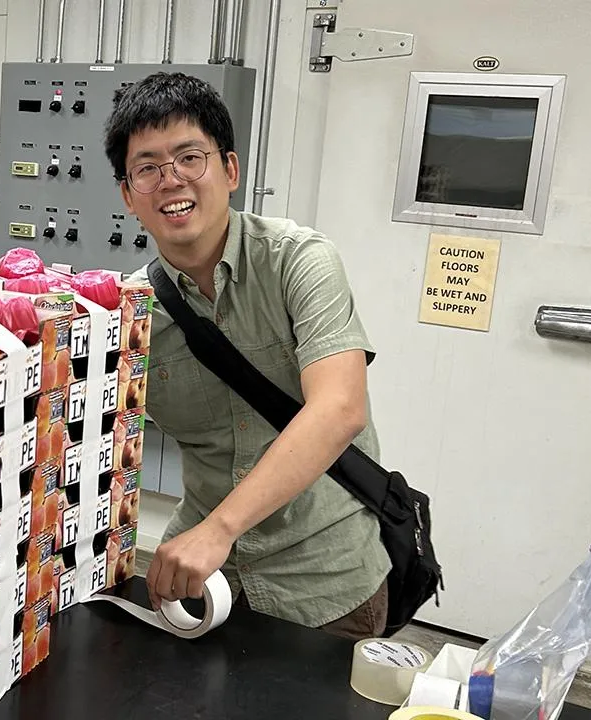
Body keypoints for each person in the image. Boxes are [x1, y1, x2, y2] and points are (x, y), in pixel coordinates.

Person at [106, 71, 391, 640]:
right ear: (128, 194)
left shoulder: (298, 260)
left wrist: (220, 529)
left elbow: (339, 410)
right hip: (198, 583)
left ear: (230, 170)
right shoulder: (129, 311)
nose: (171, 180)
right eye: (148, 168)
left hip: (323, 580)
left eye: (190, 157)